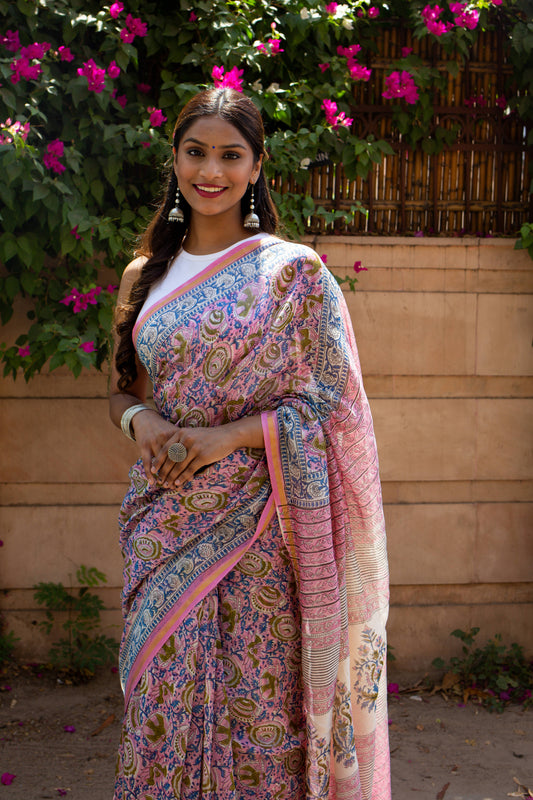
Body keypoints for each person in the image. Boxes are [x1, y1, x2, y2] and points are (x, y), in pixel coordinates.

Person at [109, 87, 390, 800]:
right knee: (158, 703)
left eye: (230, 155)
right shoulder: (143, 277)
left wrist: (225, 436)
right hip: (163, 524)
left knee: (256, 704)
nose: (211, 171)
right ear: (173, 160)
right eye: (195, 152)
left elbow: (329, 401)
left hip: (262, 529)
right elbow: (122, 388)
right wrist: (144, 425)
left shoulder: (292, 273)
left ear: (257, 165)